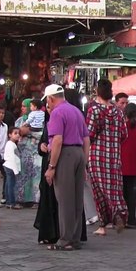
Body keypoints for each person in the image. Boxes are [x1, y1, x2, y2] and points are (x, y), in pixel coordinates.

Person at [34, 88, 88, 245]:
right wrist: (84, 162)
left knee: (65, 199)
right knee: (77, 199)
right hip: (79, 153)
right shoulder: (77, 111)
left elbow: (57, 140)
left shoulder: (57, 113)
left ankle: (65, 239)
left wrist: (51, 167)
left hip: (65, 154)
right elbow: (86, 140)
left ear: (51, 98)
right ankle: (76, 237)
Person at [86, 79, 128, 236]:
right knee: (114, 188)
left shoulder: (94, 110)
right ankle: (119, 211)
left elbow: (89, 134)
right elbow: (124, 134)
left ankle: (104, 223)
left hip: (97, 156)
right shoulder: (118, 111)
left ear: (97, 91)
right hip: (114, 156)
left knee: (99, 190)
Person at [15, 98, 43, 207]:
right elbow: (14, 134)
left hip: (36, 153)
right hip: (23, 153)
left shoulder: (40, 120)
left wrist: (30, 132)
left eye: (24, 106)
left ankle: (36, 200)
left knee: (36, 176)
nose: (22, 108)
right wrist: (20, 132)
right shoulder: (20, 121)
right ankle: (22, 200)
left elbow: (43, 133)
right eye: (22, 106)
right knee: (23, 175)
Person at [121, 103, 136, 229]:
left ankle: (123, 218)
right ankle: (132, 219)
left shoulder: (122, 128)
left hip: (122, 164)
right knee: (131, 194)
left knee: (122, 194)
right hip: (134, 164)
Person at [3, 127, 22, 209]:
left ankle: (8, 201)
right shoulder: (10, 145)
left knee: (8, 184)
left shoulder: (12, 144)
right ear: (10, 135)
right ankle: (12, 202)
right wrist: (16, 171)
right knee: (11, 185)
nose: (17, 135)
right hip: (11, 166)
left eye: (18, 133)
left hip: (9, 166)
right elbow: (12, 158)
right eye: (15, 133)